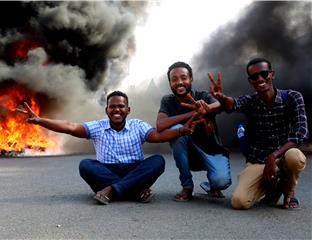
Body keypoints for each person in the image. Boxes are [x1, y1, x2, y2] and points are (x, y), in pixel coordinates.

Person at [18, 90, 203, 205]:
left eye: (121, 106)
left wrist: (181, 131)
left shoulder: (138, 125)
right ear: (106, 110)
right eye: (112, 107)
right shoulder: (97, 127)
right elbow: (70, 126)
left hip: (135, 169)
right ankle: (135, 191)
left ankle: (112, 191)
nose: (117, 110)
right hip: (106, 171)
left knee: (157, 161)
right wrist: (41, 120)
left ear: (128, 110)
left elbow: (158, 136)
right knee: (86, 165)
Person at [208, 57, 308, 209]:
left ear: (272, 74)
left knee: (295, 157)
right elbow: (233, 104)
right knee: (239, 202)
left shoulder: (293, 97)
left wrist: (273, 157)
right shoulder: (251, 101)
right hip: (258, 159)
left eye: (264, 74)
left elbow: (301, 133)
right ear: (250, 81)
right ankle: (274, 188)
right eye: (254, 76)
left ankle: (289, 191)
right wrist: (220, 97)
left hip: (284, 155)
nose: (260, 78)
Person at [156, 61, 232, 202]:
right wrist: (193, 113)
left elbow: (219, 106)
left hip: (211, 151)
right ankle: (187, 187)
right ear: (170, 83)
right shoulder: (168, 100)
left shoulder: (202, 96)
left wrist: (208, 108)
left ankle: (211, 185)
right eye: (174, 79)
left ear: (191, 79)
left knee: (222, 182)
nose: (179, 82)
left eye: (184, 78)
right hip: (187, 155)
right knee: (176, 130)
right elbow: (160, 125)